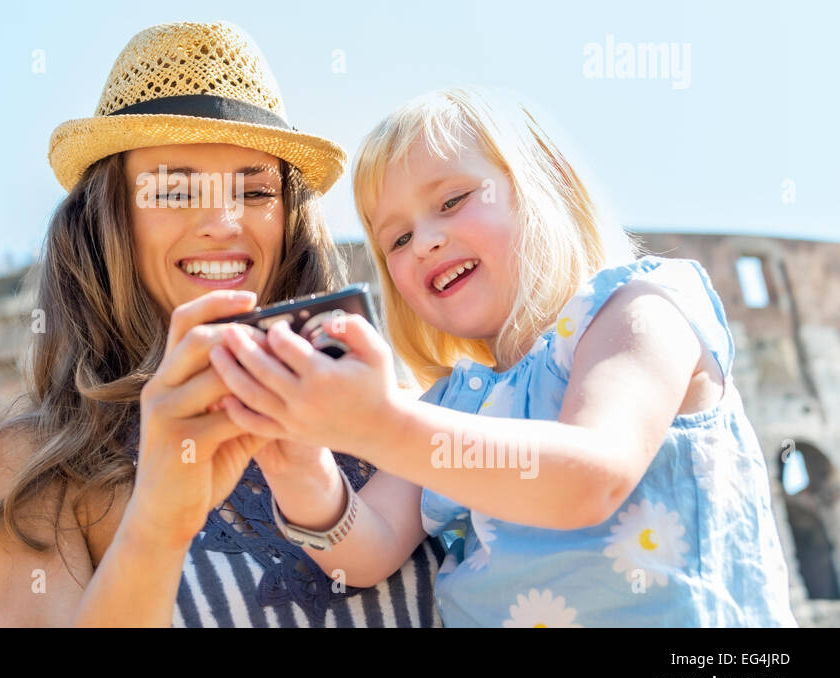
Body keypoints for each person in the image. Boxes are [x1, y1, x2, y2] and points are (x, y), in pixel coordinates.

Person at [209, 86, 798, 626]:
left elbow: (589, 478)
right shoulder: (450, 404)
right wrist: (295, 464)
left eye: (454, 199)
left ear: (548, 188)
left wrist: (380, 423)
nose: (427, 242)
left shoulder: (640, 307)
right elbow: (368, 551)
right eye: (398, 238)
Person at [0, 21, 443, 626]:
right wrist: (159, 518)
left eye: (255, 190)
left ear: (290, 219)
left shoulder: (396, 414)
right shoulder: (35, 465)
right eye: (173, 190)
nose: (222, 223)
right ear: (108, 221)